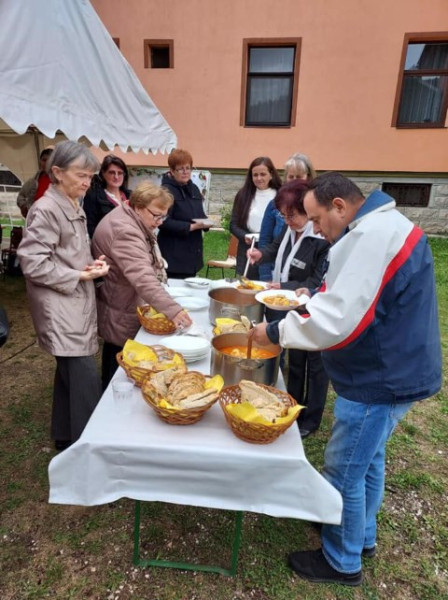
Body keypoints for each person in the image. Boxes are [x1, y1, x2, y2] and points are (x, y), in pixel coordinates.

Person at [249, 172, 441, 586]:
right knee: (368, 461)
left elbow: (340, 317)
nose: (316, 229)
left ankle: (341, 560)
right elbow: (349, 295)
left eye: (318, 219)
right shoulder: (376, 227)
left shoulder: (373, 236)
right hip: (393, 367)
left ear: (339, 206)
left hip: (381, 375)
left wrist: (274, 331)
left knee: (344, 469)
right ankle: (360, 534)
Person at [17, 141, 109, 450]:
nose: (87, 182)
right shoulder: (46, 209)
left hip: (73, 304)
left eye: (90, 177)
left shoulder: (72, 203)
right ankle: (88, 450)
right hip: (60, 308)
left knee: (69, 376)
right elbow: (32, 263)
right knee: (85, 382)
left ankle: (65, 436)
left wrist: (90, 264)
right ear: (57, 172)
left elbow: (65, 253)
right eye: (81, 175)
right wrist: (78, 275)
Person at [92, 181, 193, 389]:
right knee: (118, 365)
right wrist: (173, 310)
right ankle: (110, 399)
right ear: (138, 207)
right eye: (156, 215)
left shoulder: (131, 217)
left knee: (119, 357)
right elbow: (143, 278)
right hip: (119, 305)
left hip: (121, 300)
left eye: (163, 217)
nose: (159, 222)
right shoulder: (125, 231)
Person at [258, 153, 316, 281]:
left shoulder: (315, 209)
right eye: (291, 176)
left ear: (308, 177)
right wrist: (265, 275)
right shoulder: (275, 204)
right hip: (276, 272)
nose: (295, 180)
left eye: (299, 176)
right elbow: (268, 242)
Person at [157, 149, 209, 279]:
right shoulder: (165, 191)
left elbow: (199, 214)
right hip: (174, 255)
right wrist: (190, 227)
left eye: (188, 168)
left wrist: (206, 222)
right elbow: (162, 221)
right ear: (172, 170)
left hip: (193, 254)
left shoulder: (194, 189)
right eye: (180, 169)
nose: (185, 172)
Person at [230, 156, 282, 280]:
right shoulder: (243, 195)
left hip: (272, 248)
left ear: (271, 174)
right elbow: (233, 224)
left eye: (263, 174)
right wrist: (244, 236)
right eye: (255, 175)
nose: (259, 178)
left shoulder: (280, 195)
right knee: (249, 286)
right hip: (249, 248)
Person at [83, 155, 131, 238]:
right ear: (103, 173)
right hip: (106, 243)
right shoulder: (93, 197)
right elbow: (90, 228)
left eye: (120, 173)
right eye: (112, 172)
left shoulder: (131, 196)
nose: (116, 177)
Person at [16, 147, 53, 218]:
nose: (46, 163)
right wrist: (24, 206)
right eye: (44, 160)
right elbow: (21, 196)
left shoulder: (60, 181)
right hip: (35, 218)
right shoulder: (33, 181)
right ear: (40, 161)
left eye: (50, 161)